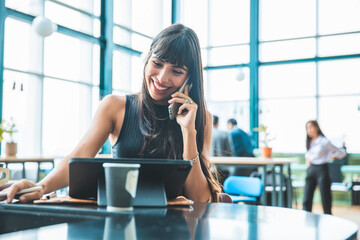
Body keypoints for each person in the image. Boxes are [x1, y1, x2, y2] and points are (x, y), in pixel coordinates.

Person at [0, 24, 221, 204]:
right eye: (157, 63)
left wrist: (188, 131)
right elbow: (79, 156)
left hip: (176, 227)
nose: (162, 78)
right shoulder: (115, 106)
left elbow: (200, 199)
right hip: (120, 217)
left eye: (177, 71)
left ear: (189, 79)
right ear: (147, 60)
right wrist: (42, 186)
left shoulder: (200, 120)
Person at [303, 120, 346, 214]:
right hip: (311, 169)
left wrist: (333, 156)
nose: (309, 130)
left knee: (325, 197)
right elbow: (307, 156)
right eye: (307, 128)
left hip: (322, 170)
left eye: (311, 127)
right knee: (306, 198)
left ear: (317, 127)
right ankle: (306, 217)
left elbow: (341, 152)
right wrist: (309, 168)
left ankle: (328, 217)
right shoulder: (309, 142)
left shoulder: (324, 141)